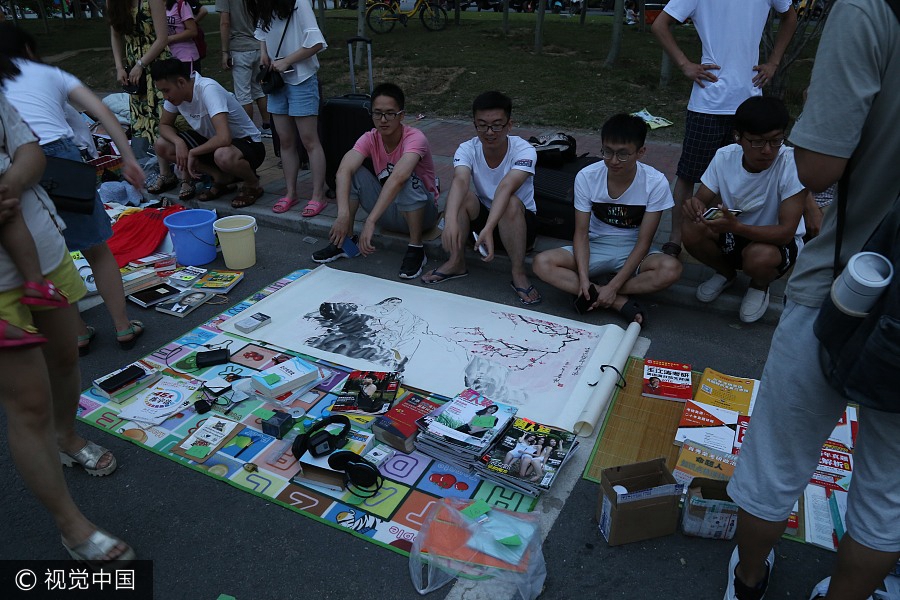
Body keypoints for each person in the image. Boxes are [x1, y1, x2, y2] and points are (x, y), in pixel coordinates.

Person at [724, 1, 900, 599]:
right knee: (887, 489)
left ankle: (749, 579)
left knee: (776, 455)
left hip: (847, 284)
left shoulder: (871, 10)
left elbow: (818, 169)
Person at [0, 84, 134, 564]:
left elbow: (30, 151)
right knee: (29, 403)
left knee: (64, 360)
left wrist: (11, 183)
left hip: (45, 251)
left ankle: (66, 436)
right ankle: (70, 524)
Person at [0, 23, 147, 353]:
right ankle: (123, 327)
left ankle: (79, 332)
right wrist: (128, 158)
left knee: (49, 251)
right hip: (58, 156)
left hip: (14, 163)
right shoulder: (49, 72)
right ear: (27, 49)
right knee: (96, 247)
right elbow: (102, 111)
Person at [651, 0, 797, 259]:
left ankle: (725, 235)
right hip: (709, 100)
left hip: (749, 98)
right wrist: (685, 64)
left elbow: (790, 17)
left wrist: (773, 62)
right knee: (688, 174)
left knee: (736, 174)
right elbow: (660, 24)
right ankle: (676, 237)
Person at [533, 113, 682, 325]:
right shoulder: (587, 176)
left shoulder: (655, 182)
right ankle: (616, 301)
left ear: (641, 152)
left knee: (671, 269)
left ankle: (600, 292)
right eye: (607, 152)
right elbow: (581, 233)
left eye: (623, 154)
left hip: (634, 250)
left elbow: (644, 242)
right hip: (596, 245)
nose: (613, 161)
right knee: (542, 263)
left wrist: (613, 286)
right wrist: (584, 277)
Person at [682, 95, 806, 324]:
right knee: (690, 227)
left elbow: (786, 232)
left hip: (774, 245)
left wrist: (737, 227)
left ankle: (759, 285)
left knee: (759, 256)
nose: (768, 150)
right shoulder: (724, 156)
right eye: (758, 142)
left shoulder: (791, 163)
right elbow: (702, 197)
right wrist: (695, 206)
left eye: (776, 140)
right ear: (738, 137)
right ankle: (726, 273)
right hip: (734, 231)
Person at [422, 91, 542, 306]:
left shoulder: (525, 150)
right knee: (463, 197)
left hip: (519, 222)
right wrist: (449, 220)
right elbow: (459, 181)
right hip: (484, 221)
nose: (489, 132)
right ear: (474, 124)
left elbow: (505, 188)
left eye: (497, 125)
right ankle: (456, 262)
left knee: (510, 202)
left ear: (509, 125)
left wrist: (488, 227)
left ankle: (518, 272)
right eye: (482, 125)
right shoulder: (467, 148)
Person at [311, 83, 440, 279]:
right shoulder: (369, 137)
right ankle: (345, 242)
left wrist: (370, 221)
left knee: (404, 178)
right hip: (390, 210)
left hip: (422, 215)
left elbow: (399, 177)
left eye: (390, 113)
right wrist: (343, 214)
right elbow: (343, 171)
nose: (383, 119)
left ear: (402, 115)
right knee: (354, 173)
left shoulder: (415, 138)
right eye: (377, 113)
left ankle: (416, 248)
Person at [150, 58, 266, 208]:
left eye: (166, 90)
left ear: (181, 82)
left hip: (247, 144)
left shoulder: (208, 89)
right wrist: (178, 142)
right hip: (214, 143)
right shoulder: (174, 97)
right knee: (162, 145)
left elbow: (224, 138)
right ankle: (221, 178)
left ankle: (253, 184)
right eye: (162, 92)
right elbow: (164, 125)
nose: (165, 97)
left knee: (222, 154)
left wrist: (192, 152)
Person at [248, 0, 328, 216]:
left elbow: (316, 43)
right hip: (277, 81)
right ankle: (290, 193)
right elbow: (262, 32)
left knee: (309, 140)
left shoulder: (299, 2)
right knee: (285, 140)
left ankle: (317, 195)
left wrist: (287, 61)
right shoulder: (266, 6)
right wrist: (264, 52)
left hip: (301, 78)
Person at [108, 0, 171, 147]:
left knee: (162, 115)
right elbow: (115, 34)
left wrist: (141, 64)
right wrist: (119, 67)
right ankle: (158, 165)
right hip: (134, 68)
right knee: (143, 116)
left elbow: (162, 39)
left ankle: (169, 165)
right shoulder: (112, 2)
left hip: (156, 62)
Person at [217, 0, 271, 137]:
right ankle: (268, 125)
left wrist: (225, 52)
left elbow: (225, 22)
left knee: (243, 95)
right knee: (259, 89)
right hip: (259, 46)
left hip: (240, 48)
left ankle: (248, 131)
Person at [165, 0, 200, 73]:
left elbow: (192, 31)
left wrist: (169, 39)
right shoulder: (154, 6)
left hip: (185, 57)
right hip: (167, 57)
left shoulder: (180, 4)